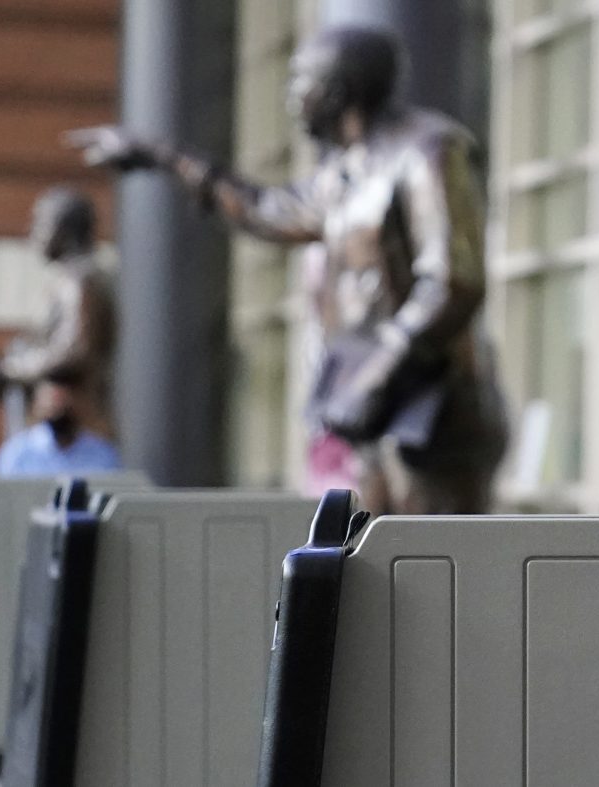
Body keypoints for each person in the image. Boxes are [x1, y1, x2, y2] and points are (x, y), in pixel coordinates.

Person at [67, 25, 508, 515]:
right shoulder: (347, 171)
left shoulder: (428, 151)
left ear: (337, 91)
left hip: (436, 423)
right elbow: (267, 210)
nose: (291, 97)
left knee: (442, 573)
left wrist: (378, 373)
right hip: (375, 418)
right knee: (380, 570)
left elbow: (454, 282)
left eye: (300, 82)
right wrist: (164, 156)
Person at [0, 186, 118, 440]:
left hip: (77, 430)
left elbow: (74, 350)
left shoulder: (78, 282)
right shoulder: (74, 280)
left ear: (65, 230)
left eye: (41, 224)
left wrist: (12, 370)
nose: (33, 233)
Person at [0, 381, 121, 476]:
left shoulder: (102, 452)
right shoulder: (16, 452)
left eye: (64, 405)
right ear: (37, 406)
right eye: (52, 407)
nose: (59, 412)